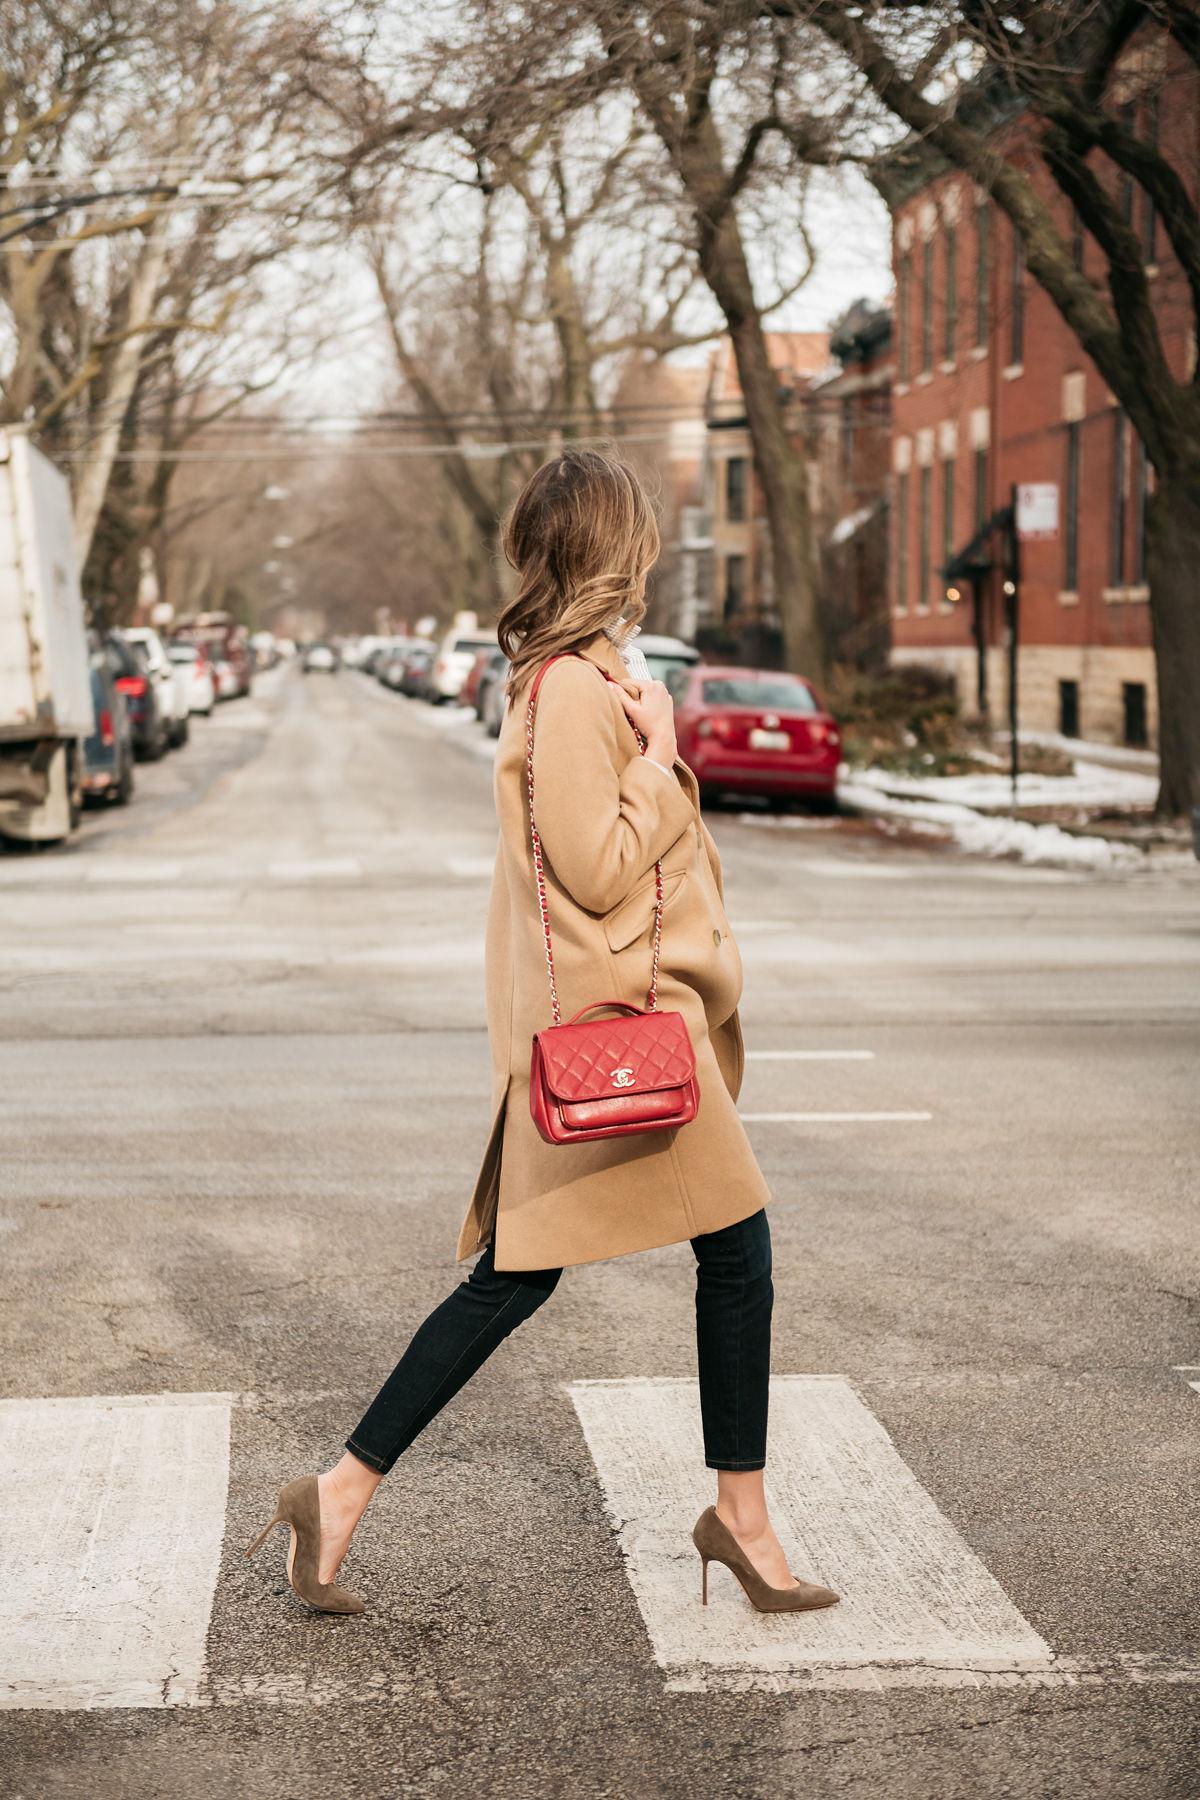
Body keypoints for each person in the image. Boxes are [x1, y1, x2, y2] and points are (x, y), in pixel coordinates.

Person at [247, 449, 839, 1619]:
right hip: (625, 1026)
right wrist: (665, 757)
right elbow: (600, 864)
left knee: (527, 1274)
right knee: (718, 1253)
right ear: (613, 550)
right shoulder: (572, 687)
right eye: (640, 536)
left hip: (619, 1019)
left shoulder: (572, 675)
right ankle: (740, 1518)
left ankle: (341, 1493)